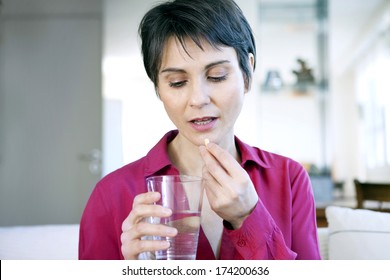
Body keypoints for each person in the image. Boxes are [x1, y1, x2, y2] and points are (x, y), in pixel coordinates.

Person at [79, 0, 321, 260]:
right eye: (177, 82)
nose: (198, 99)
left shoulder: (289, 179)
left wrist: (248, 218)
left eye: (217, 76)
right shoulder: (110, 195)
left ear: (247, 73)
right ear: (159, 88)